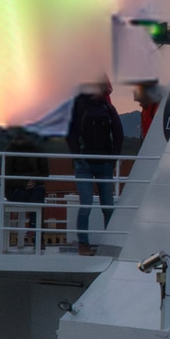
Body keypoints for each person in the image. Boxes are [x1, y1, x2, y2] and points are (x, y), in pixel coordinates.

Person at [62, 77, 128, 250]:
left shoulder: (96, 107)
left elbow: (118, 134)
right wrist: (79, 156)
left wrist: (112, 157)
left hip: (97, 164)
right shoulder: (101, 107)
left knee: (102, 207)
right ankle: (88, 243)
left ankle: (100, 244)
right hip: (91, 164)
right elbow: (118, 133)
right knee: (93, 205)